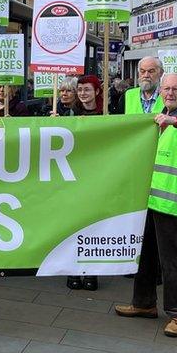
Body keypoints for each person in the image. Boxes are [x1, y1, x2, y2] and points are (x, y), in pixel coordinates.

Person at [115, 73, 177, 338]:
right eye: (166, 89)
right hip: (148, 199)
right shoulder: (156, 116)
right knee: (145, 255)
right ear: (160, 92)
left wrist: (176, 120)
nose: (170, 93)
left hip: (171, 202)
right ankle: (143, 303)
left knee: (172, 261)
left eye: (175, 89)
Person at [64, 75, 105, 290]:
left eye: (87, 89)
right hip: (74, 175)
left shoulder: (107, 113)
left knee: (93, 224)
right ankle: (72, 269)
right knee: (73, 224)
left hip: (97, 176)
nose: (82, 93)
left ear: (96, 91)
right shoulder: (70, 113)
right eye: (79, 89)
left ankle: (91, 270)